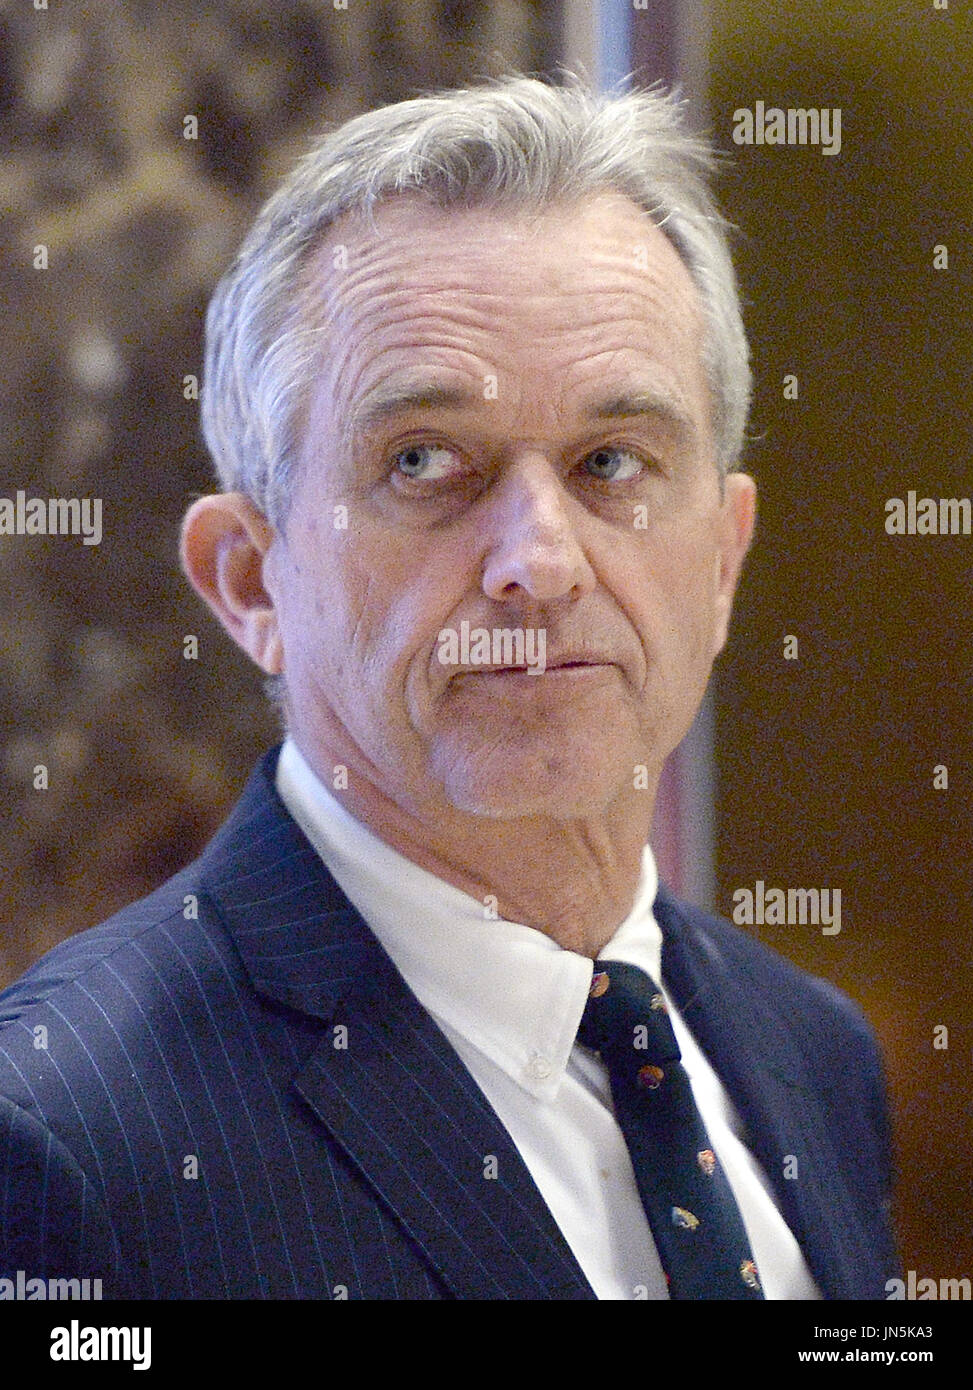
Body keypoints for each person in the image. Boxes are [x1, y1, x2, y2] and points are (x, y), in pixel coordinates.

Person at [0, 75, 898, 1300]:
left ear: (725, 557)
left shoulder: (812, 1056)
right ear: (250, 581)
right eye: (423, 461)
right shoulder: (63, 1139)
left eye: (611, 461)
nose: (538, 560)